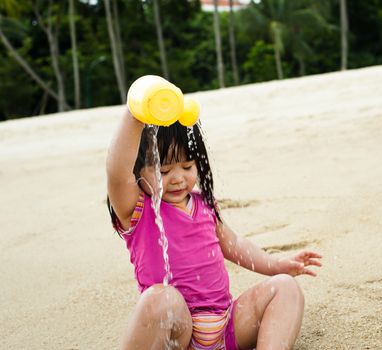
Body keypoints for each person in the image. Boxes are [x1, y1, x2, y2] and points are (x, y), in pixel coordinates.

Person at [106, 108, 322, 350]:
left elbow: (234, 244)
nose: (177, 178)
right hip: (177, 334)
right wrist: (134, 117)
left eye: (187, 166)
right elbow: (117, 175)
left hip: (227, 327)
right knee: (160, 298)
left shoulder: (204, 204)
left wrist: (276, 265)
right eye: (163, 171)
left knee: (285, 287)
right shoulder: (138, 211)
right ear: (138, 173)